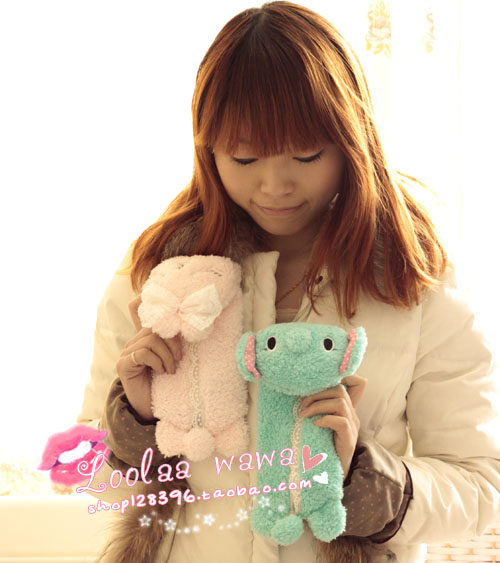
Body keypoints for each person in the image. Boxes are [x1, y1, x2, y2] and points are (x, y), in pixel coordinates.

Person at [77, 2, 500, 562]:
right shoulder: (155, 276)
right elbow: (85, 473)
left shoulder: (412, 279)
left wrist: (363, 477)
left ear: (351, 139)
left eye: (305, 154)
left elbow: (482, 484)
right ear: (208, 150)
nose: (274, 185)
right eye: (244, 158)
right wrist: (136, 417)